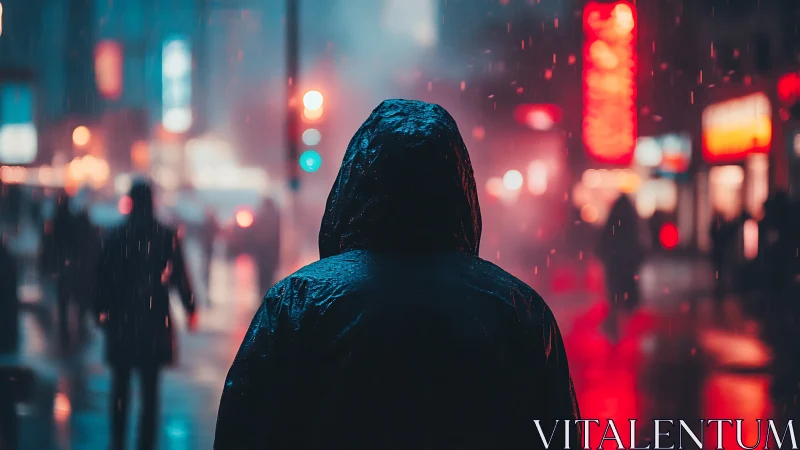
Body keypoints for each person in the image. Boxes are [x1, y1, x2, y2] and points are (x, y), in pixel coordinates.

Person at [214, 100, 581, 449]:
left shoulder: (297, 303)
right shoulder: (519, 311)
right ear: (460, 187)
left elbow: (244, 430)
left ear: (355, 183)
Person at [95, 181, 197, 450]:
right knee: (150, 393)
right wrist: (190, 307)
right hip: (152, 320)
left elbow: (101, 278)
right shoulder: (164, 235)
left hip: (122, 320)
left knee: (120, 387)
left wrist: (100, 311)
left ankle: (117, 441)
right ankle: (145, 444)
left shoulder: (115, 236)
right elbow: (179, 275)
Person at [596, 194, 644, 341]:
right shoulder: (631, 220)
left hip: (615, 262)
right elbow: (637, 242)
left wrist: (604, 255)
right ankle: (620, 323)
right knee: (624, 292)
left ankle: (614, 323)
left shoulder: (614, 220)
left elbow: (604, 240)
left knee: (615, 294)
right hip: (626, 263)